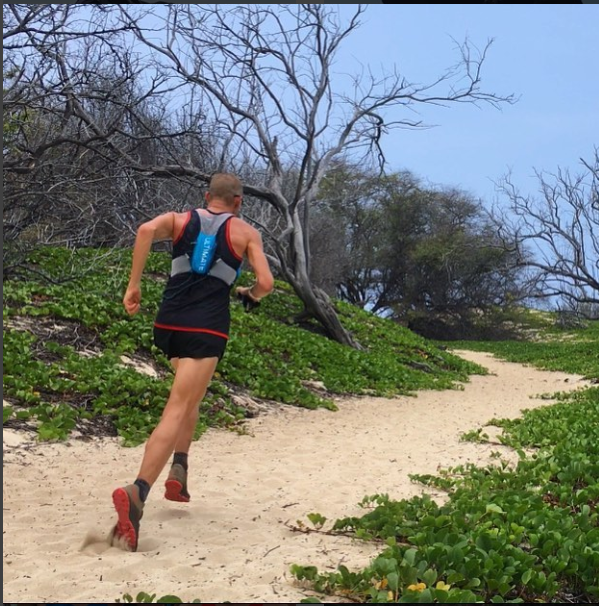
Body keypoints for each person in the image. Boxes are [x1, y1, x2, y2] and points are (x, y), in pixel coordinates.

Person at [111, 173, 274, 552]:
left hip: (168, 326)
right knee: (179, 406)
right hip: (206, 330)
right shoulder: (245, 233)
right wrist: (250, 293)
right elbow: (265, 282)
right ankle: (136, 492)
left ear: (206, 196)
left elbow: (144, 230)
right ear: (238, 202)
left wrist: (133, 285)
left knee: (189, 396)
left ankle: (179, 469)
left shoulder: (180, 220)